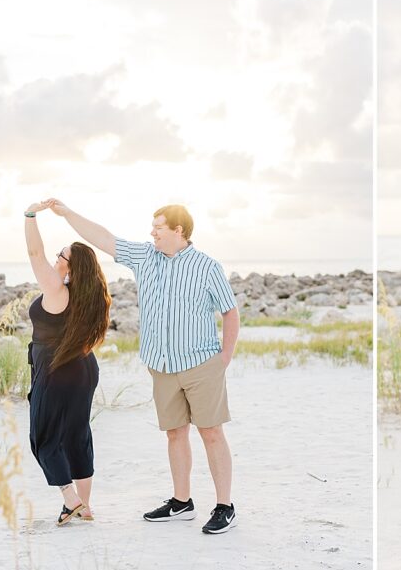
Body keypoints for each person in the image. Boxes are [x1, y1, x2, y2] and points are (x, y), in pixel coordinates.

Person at [45, 199, 241, 535]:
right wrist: (67, 214)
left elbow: (230, 312)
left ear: (178, 231)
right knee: (175, 433)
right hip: (161, 365)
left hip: (201, 363)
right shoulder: (145, 257)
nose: (152, 232)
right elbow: (103, 238)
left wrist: (224, 358)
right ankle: (182, 503)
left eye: (159, 227)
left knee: (211, 433)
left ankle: (224, 506)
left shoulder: (207, 267)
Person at [23, 201, 111, 526]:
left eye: (61, 256)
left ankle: (71, 500)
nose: (55, 259)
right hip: (84, 369)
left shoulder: (58, 291)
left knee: (44, 436)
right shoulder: (92, 296)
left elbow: (34, 255)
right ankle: (84, 506)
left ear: (70, 266)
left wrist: (30, 216)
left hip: (55, 368)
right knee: (77, 435)